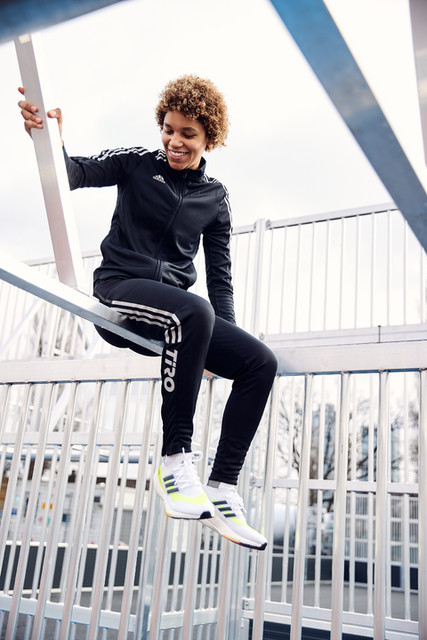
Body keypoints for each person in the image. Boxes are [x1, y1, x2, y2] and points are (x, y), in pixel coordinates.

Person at [18, 76, 278, 550]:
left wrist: (221, 345)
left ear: (210, 138)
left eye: (188, 134)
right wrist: (50, 139)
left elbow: (220, 278)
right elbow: (72, 173)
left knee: (260, 362)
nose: (175, 141)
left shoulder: (215, 198)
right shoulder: (137, 163)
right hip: (122, 290)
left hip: (179, 317)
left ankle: (222, 487)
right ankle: (175, 461)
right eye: (168, 129)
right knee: (194, 312)